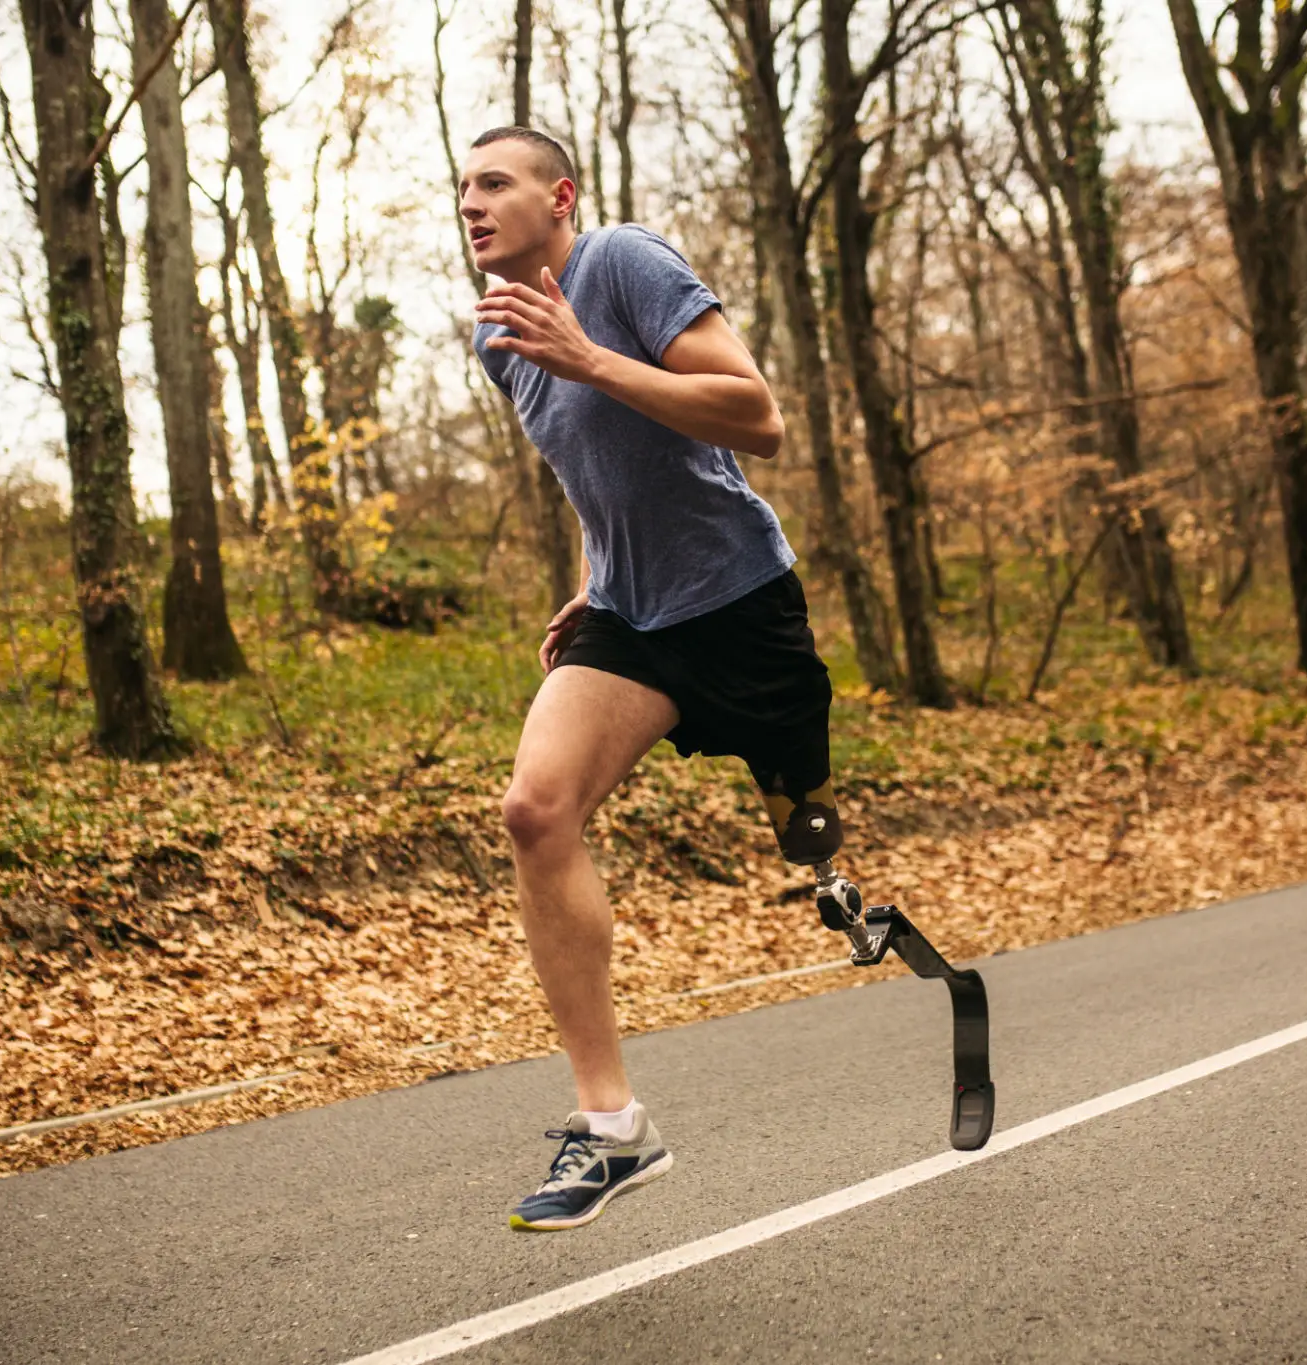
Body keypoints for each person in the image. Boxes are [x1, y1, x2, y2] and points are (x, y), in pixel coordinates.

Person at [463, 125, 845, 1231]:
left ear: (560, 197)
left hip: (738, 602)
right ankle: (613, 1130)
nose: (473, 204)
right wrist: (594, 574)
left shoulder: (621, 264)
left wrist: (588, 356)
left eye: (495, 183)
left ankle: (807, 824)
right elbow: (599, 475)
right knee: (533, 811)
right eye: (463, 189)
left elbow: (753, 417)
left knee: (806, 833)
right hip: (630, 617)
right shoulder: (500, 337)